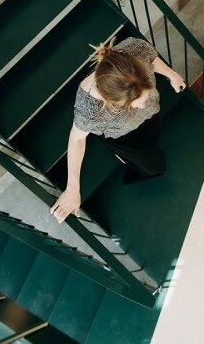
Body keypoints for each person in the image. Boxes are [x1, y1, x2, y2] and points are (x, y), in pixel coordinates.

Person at [49, 36, 185, 223]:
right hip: (124, 135)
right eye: (137, 103)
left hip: (151, 117)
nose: (143, 104)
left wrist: (172, 75)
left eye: (145, 95)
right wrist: (72, 187)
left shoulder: (134, 49)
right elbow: (77, 139)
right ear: (113, 102)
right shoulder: (90, 109)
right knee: (153, 166)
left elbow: (152, 59)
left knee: (154, 131)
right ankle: (125, 159)